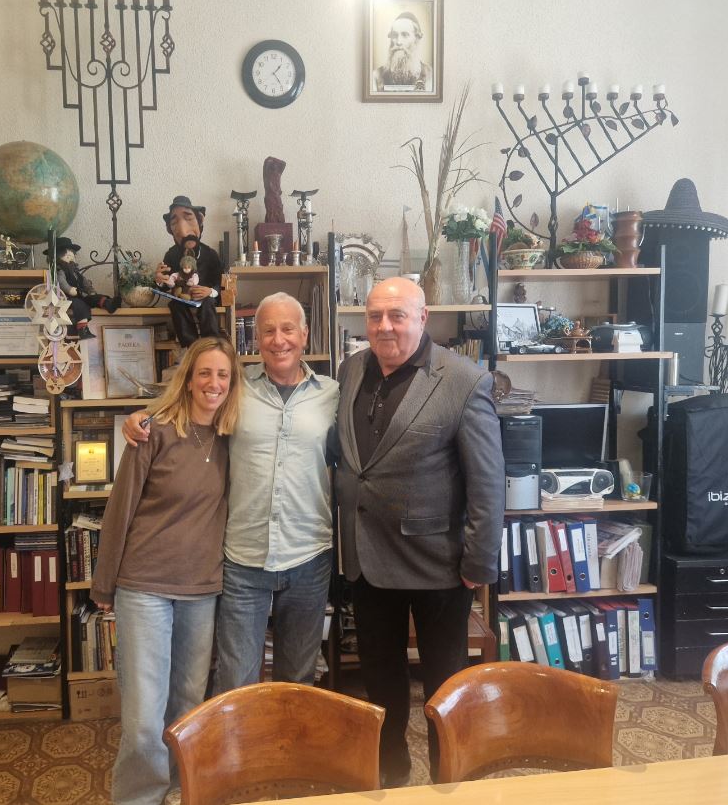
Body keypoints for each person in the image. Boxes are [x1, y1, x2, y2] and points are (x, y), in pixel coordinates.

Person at [334, 276, 504, 787]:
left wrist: (478, 563)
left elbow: (487, 481)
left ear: (423, 318)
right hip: (367, 559)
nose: (384, 327)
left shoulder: (464, 381)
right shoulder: (351, 369)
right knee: (380, 680)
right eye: (375, 316)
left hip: (440, 566)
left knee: (444, 686)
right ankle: (392, 776)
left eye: (397, 315)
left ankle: (448, 780)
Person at [123, 291, 339, 692]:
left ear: (305, 334)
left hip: (309, 555)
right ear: (256, 337)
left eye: (288, 329)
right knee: (235, 680)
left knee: (298, 680)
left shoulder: (332, 394)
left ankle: (288, 736)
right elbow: (189, 402)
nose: (279, 340)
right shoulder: (236, 388)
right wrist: (142, 417)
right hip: (243, 557)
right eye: (268, 331)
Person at [90, 336, 243, 805]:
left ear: (232, 383)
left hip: (202, 589)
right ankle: (140, 798)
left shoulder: (235, 438)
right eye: (204, 373)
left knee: (187, 708)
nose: (213, 383)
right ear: (188, 379)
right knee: (142, 717)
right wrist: (104, 583)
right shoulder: (152, 432)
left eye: (222, 375)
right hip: (145, 587)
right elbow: (119, 509)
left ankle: (180, 790)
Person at [156, 195, 223, 347]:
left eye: (188, 218)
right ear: (170, 229)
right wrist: (160, 281)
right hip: (182, 297)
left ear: (200, 221)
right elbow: (166, 285)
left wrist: (210, 291)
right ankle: (190, 346)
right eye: (174, 223)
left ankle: (211, 344)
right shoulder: (171, 255)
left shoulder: (210, 254)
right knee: (175, 305)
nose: (183, 231)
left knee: (208, 304)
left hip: (204, 299)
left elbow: (221, 282)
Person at [44, 237, 120, 339]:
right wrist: (69, 289)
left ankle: (108, 304)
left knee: (94, 298)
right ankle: (83, 330)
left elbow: (85, 283)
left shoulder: (76, 272)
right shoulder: (60, 271)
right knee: (80, 305)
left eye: (72, 256)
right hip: (67, 298)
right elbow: (61, 282)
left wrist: (91, 291)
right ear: (57, 258)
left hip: (81, 294)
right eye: (67, 256)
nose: (71, 259)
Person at [372, 11, 433, 93]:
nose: (398, 42)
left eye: (405, 35)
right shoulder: (376, 77)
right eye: (394, 35)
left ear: (416, 39)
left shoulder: (430, 76)